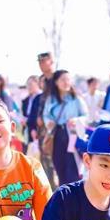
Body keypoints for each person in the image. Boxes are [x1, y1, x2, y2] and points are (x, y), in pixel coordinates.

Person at [42, 69, 88, 186]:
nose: (66, 82)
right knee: (59, 165)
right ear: (56, 82)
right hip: (56, 135)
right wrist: (49, 122)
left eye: (68, 79)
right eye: (63, 79)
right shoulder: (51, 99)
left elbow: (86, 116)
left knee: (72, 165)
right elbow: (46, 115)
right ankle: (64, 194)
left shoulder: (76, 98)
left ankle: (75, 193)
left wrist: (77, 120)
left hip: (72, 134)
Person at [36, 52, 57, 184]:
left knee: (56, 158)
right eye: (40, 62)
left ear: (52, 61)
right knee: (45, 157)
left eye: (44, 61)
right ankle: (50, 185)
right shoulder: (45, 81)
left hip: (55, 125)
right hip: (43, 127)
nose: (41, 64)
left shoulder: (58, 80)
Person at [20, 75, 42, 145]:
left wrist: (33, 127)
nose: (29, 87)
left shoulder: (42, 98)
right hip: (27, 130)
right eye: (27, 84)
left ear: (38, 84)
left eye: (31, 84)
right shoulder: (26, 100)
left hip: (37, 130)